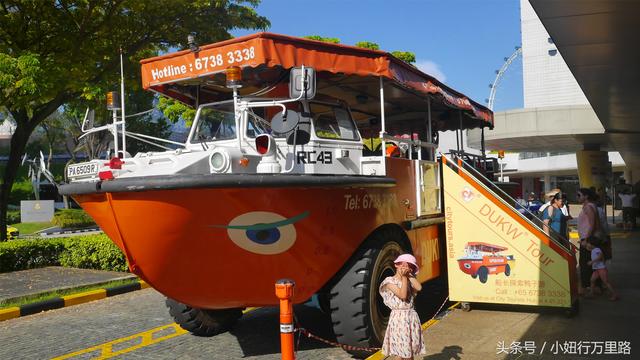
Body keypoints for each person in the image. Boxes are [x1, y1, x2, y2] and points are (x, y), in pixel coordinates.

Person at [379, 254, 426, 359]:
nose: (406, 267)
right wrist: (405, 278)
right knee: (400, 351)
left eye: (410, 266)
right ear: (396, 265)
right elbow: (402, 295)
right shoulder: (389, 281)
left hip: (410, 318)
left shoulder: (408, 280)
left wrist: (408, 276)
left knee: (410, 350)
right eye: (403, 264)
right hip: (399, 319)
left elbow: (419, 287)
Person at [576, 188, 602, 295]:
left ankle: (588, 287)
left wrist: (586, 239)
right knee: (592, 263)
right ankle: (595, 287)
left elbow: (592, 224)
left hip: (588, 239)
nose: (577, 197)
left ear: (586, 196)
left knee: (585, 264)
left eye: (579, 195)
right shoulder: (590, 206)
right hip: (589, 238)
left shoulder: (588, 207)